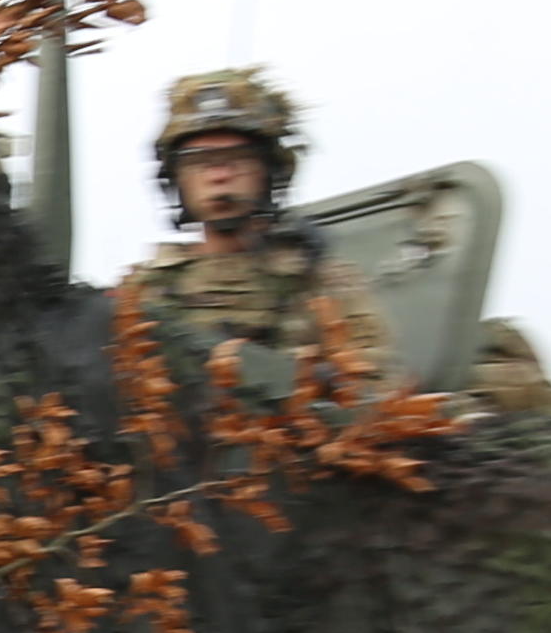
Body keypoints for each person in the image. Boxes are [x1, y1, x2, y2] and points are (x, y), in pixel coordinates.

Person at [123, 69, 390, 400]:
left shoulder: (319, 283)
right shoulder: (143, 293)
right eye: (200, 161)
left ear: (270, 173)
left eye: (237, 158)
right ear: (176, 179)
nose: (220, 175)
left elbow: (375, 391)